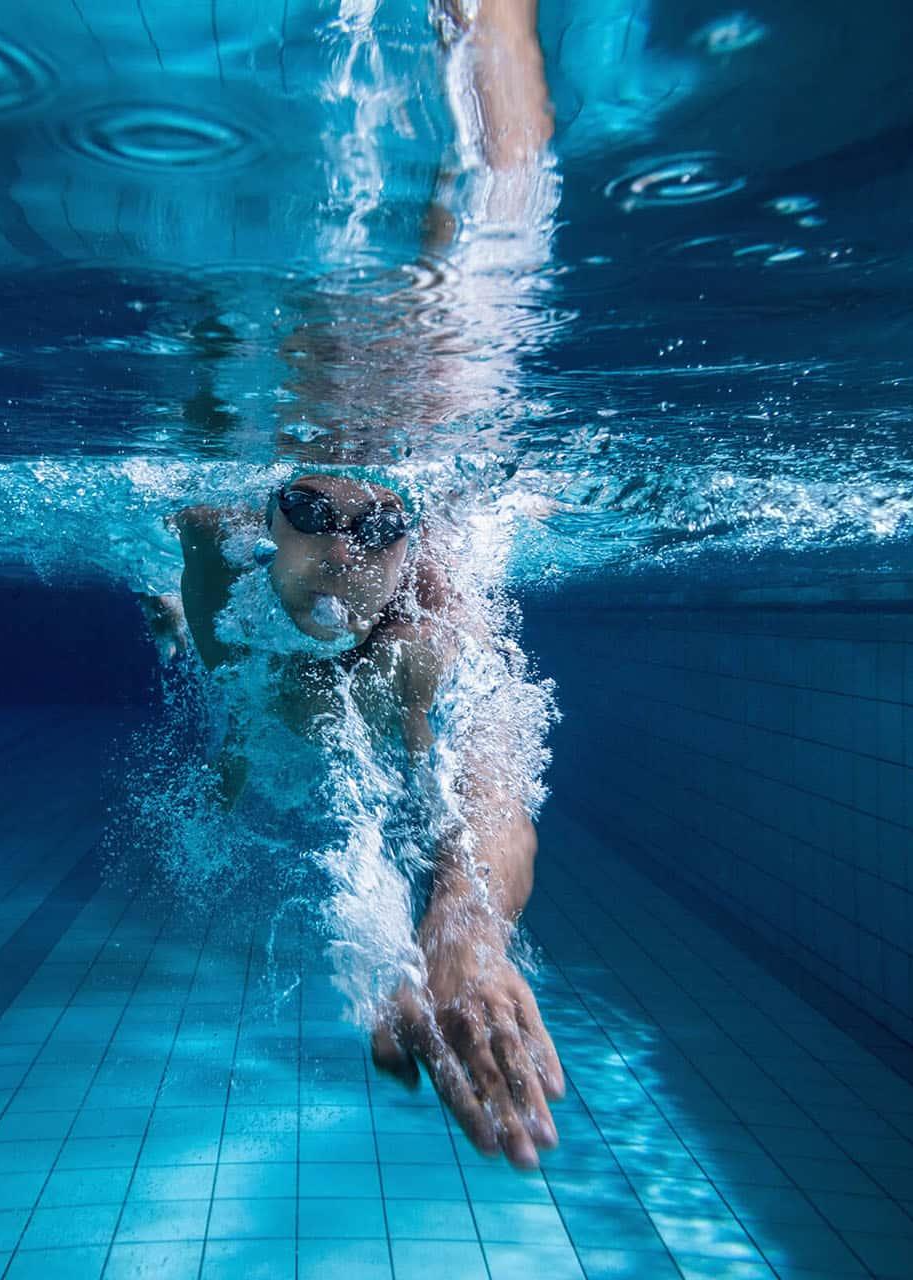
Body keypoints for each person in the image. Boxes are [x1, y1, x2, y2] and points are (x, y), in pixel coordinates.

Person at [140, 0, 566, 1168]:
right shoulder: (224, 553)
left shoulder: (435, 612)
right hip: (227, 610)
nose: (342, 546)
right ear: (267, 519)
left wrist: (465, 931)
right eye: (310, 515)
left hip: (336, 624)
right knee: (215, 661)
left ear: (412, 534)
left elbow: (490, 795)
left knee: (498, 226)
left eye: (379, 522)